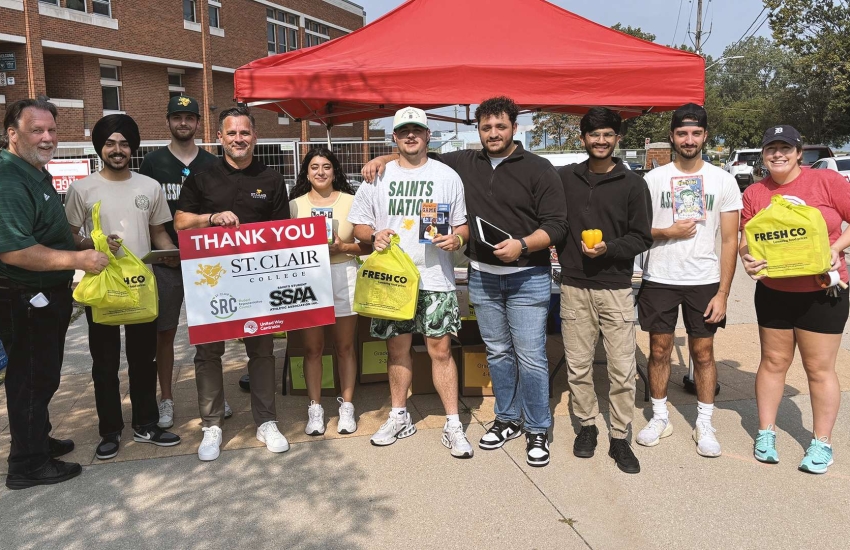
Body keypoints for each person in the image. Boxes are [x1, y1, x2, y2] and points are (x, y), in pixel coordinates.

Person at [362, 97, 567, 467]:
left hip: (526, 277)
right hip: (483, 277)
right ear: (479, 130)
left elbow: (557, 225)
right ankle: (507, 419)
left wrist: (521, 245)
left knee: (532, 357)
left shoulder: (539, 168)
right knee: (500, 354)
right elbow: (414, 157)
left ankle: (537, 426)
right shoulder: (463, 162)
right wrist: (382, 159)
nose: (493, 133)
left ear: (514, 129)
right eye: (486, 127)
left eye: (500, 126)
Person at [349, 106, 473, 458]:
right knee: (396, 350)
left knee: (441, 350)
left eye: (417, 129)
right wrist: (374, 235)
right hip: (392, 280)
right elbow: (357, 224)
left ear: (428, 135)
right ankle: (399, 415)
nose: (411, 136)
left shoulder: (448, 175)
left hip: (435, 277)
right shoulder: (377, 177)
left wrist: (458, 241)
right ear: (395, 137)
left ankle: (452, 423)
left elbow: (461, 225)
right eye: (404, 131)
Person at [0, 98, 109, 489]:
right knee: (31, 377)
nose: (47, 138)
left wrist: (83, 241)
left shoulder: (33, 170)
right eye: (36, 130)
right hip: (25, 296)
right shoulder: (8, 178)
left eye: (51, 130)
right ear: (12, 134)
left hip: (44, 295)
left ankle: (37, 440)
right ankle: (27, 465)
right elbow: (15, 250)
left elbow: (47, 230)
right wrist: (77, 259)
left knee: (42, 374)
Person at [175, 106, 291, 461]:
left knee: (261, 350)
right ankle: (211, 425)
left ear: (254, 136)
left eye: (244, 133)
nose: (238, 139)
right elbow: (180, 222)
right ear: (220, 137)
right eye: (231, 133)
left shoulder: (272, 179)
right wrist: (210, 217)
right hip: (210, 281)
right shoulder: (202, 177)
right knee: (208, 352)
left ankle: (266, 422)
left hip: (256, 280)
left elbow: (282, 233)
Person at [65, 114, 182, 460]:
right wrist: (95, 245)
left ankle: (145, 423)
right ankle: (110, 430)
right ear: (100, 147)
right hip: (100, 285)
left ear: (133, 147)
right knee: (104, 362)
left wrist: (170, 254)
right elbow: (70, 238)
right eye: (111, 143)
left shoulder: (149, 187)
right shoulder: (81, 189)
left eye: (124, 143)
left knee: (142, 358)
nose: (118, 150)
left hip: (140, 285)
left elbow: (159, 232)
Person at [740, 125, 850, 474]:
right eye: (771, 148)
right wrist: (748, 258)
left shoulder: (827, 183)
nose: (778, 154)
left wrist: (836, 248)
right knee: (773, 362)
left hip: (823, 291)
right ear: (763, 154)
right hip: (774, 292)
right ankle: (765, 432)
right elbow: (747, 239)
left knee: (818, 369)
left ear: (800, 152)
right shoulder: (756, 193)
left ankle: (821, 443)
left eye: (785, 147)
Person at [636, 104, 741, 459]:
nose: (689, 139)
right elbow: (637, 231)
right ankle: (660, 416)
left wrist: (724, 292)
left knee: (704, 353)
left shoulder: (722, 180)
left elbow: (729, 241)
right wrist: (668, 231)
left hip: (704, 280)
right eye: (682, 133)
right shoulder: (653, 179)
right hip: (660, 277)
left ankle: (705, 421)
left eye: (696, 133)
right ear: (672, 137)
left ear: (705, 136)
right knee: (660, 350)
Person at [557, 107, 653, 474]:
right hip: (575, 285)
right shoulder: (564, 178)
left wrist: (608, 249)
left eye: (608, 134)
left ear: (617, 139)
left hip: (614, 287)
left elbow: (641, 236)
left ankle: (619, 436)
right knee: (579, 366)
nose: (600, 141)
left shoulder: (632, 184)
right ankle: (587, 427)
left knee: (622, 368)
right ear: (583, 139)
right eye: (594, 134)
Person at [138, 95, 232, 429]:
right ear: (168, 121)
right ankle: (166, 399)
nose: (183, 123)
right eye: (177, 117)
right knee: (164, 332)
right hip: (167, 262)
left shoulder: (212, 162)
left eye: (189, 117)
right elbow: (148, 214)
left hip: (206, 262)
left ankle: (215, 394)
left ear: (197, 123)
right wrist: (160, 249)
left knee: (211, 330)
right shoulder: (152, 162)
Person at [289, 148, 370, 436]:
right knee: (313, 349)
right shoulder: (294, 206)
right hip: (308, 279)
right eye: (314, 167)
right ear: (306, 172)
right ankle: (315, 409)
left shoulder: (352, 201)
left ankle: (346, 407)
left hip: (344, 274)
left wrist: (342, 247)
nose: (320, 172)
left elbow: (368, 245)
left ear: (335, 171)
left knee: (345, 346)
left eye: (326, 166)